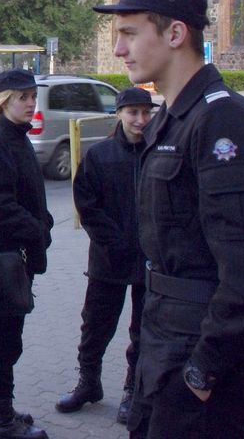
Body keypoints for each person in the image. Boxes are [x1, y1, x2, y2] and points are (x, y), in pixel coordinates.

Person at [94, 0, 244, 439]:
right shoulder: (171, 118)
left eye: (128, 34)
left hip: (200, 356)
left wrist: (203, 371)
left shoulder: (220, 119)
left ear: (175, 33)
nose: (119, 50)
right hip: (164, 343)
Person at [55, 87, 156, 424]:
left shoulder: (159, 152)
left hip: (150, 259)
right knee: (95, 325)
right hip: (108, 258)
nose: (140, 120)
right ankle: (88, 382)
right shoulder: (100, 155)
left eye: (146, 113)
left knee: (143, 329)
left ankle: (133, 390)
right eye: (133, 113)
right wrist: (112, 241)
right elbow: (87, 203)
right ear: (119, 115)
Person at [0, 69, 53, 439]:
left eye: (33, 96)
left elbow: (24, 194)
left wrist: (43, 219)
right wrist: (36, 229)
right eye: (23, 97)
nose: (30, 103)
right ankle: (2, 419)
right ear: (5, 101)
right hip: (5, 256)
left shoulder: (15, 137)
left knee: (0, 333)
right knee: (5, 339)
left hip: (14, 253)